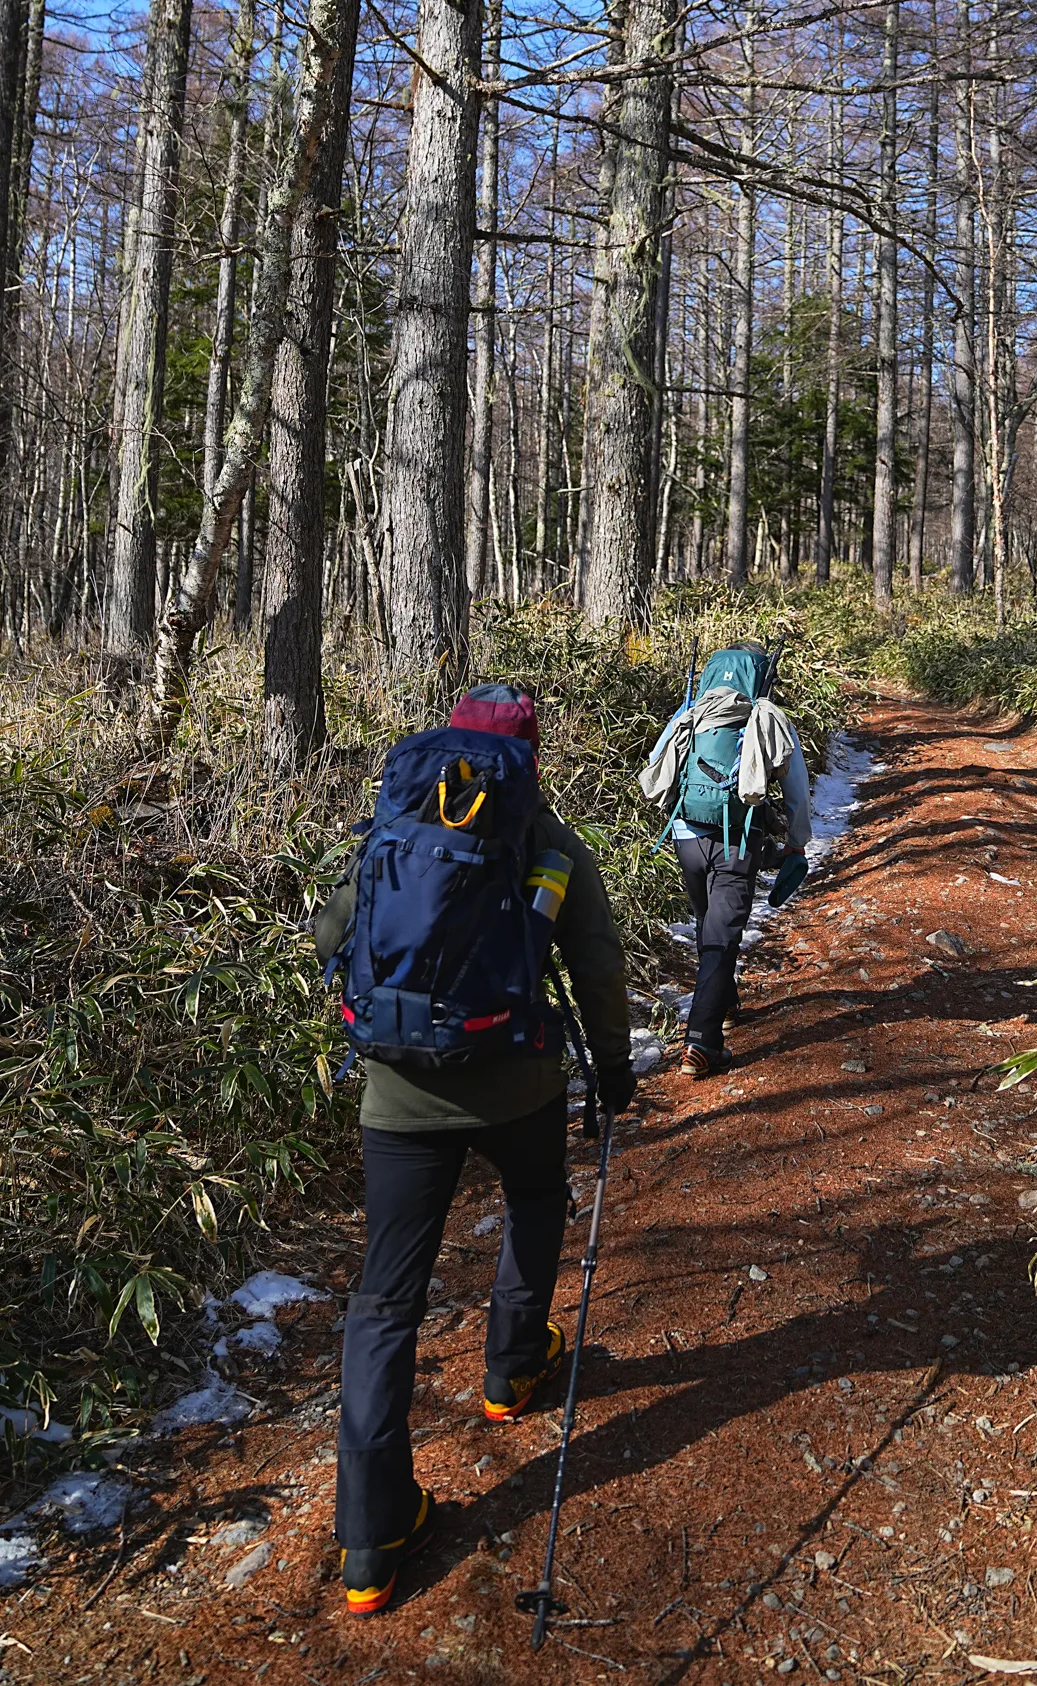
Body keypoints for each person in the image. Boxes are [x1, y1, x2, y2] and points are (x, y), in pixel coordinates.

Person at [313, 682, 636, 1617]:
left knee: (384, 1299)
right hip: (517, 1081)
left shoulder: (400, 817)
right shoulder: (546, 836)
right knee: (536, 1202)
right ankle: (510, 1367)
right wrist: (611, 1072)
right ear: (534, 751)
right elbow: (600, 964)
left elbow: (334, 933)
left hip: (398, 1095)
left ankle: (371, 1539)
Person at [640, 641, 812, 1079]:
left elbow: (658, 768)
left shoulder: (690, 713)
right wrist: (795, 844)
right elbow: (796, 792)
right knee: (722, 937)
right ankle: (702, 1040)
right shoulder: (767, 717)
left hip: (685, 837)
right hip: (737, 841)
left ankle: (725, 1000)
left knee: (708, 923)